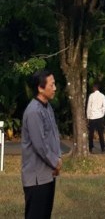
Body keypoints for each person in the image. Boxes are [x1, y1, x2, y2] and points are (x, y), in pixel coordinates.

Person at [21, 70, 62, 219]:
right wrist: (55, 162)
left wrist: (57, 159)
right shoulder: (33, 112)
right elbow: (40, 145)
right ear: (40, 88)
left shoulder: (47, 107)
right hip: (36, 179)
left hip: (48, 175)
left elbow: (53, 136)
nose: (55, 88)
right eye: (52, 85)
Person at [86, 83, 105, 153]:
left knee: (91, 134)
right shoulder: (102, 96)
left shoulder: (91, 96)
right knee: (100, 133)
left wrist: (88, 117)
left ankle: (90, 148)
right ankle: (103, 148)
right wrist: (102, 113)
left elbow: (89, 107)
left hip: (92, 117)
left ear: (94, 88)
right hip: (100, 117)